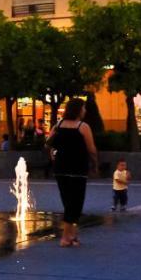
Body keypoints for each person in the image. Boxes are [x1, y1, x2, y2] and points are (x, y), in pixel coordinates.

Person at [47, 98, 98, 247]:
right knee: (76, 202)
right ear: (78, 110)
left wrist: (53, 155)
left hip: (61, 169)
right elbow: (91, 149)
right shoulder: (83, 127)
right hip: (78, 169)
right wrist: (95, 164)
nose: (85, 111)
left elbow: (48, 143)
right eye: (83, 108)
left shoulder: (58, 125)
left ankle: (73, 235)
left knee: (68, 201)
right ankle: (65, 237)